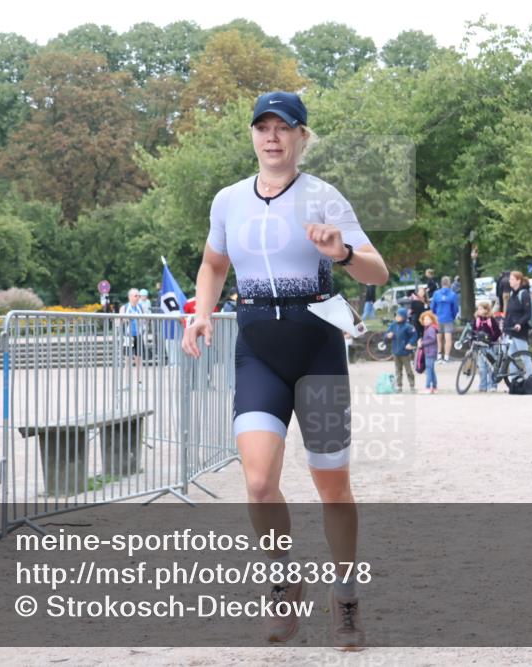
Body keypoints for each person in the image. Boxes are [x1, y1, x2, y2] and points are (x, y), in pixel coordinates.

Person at [182, 90, 388, 650]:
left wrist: (341, 251)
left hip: (317, 347)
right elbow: (212, 264)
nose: (272, 136)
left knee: (332, 486)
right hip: (258, 349)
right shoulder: (227, 200)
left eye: (284, 126)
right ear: (253, 135)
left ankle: (344, 597)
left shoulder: (324, 197)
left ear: (302, 137)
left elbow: (378, 271)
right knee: (257, 480)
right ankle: (283, 580)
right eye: (262, 126)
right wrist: (202, 314)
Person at [502, 271, 532, 374]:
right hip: (510, 330)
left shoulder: (524, 294)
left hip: (520, 331)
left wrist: (519, 323)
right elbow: (509, 313)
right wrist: (505, 326)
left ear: (518, 280)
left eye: (512, 279)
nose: (509, 281)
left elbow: (528, 314)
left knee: (525, 356)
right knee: (511, 356)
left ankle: (530, 379)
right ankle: (513, 380)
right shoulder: (512, 294)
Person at [385, 307, 417, 392]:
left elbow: (414, 336)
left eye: (399, 316)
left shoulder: (408, 327)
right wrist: (388, 336)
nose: (397, 317)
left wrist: (410, 343)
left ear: (404, 317)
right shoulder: (393, 325)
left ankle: (412, 385)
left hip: (405, 352)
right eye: (396, 315)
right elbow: (386, 334)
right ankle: (399, 386)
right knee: (398, 371)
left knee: (409, 370)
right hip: (396, 351)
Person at [473, 301, 501, 392]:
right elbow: (473, 331)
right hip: (481, 347)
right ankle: (483, 386)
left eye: (481, 308)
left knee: (491, 367)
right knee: (482, 368)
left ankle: (492, 385)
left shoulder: (491, 320)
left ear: (486, 310)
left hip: (490, 346)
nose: (478, 310)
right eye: (478, 308)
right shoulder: (477, 320)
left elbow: (498, 332)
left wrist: (491, 340)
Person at [431, 276, 459, 362]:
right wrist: (453, 316)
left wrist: (435, 314)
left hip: (437, 318)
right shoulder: (453, 294)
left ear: (441, 283)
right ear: (449, 283)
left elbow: (432, 306)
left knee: (438, 338)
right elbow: (455, 308)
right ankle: (446, 357)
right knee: (448, 338)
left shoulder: (436, 294)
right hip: (448, 318)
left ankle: (439, 356)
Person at [120, 288, 146, 373]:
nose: (138, 297)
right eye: (136, 296)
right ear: (130, 297)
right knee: (127, 360)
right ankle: (127, 382)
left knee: (139, 360)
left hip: (138, 335)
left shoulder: (140, 307)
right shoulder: (124, 307)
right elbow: (119, 320)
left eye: (138, 296)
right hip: (128, 336)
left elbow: (145, 320)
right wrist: (127, 318)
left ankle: (139, 381)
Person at [418, 311, 439, 394]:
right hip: (430, 352)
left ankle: (427, 387)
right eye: (424, 319)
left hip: (430, 352)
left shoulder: (430, 329)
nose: (426, 321)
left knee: (429, 370)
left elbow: (432, 339)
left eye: (428, 319)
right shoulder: (428, 328)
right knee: (431, 369)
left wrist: (422, 343)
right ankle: (434, 387)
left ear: (432, 320)